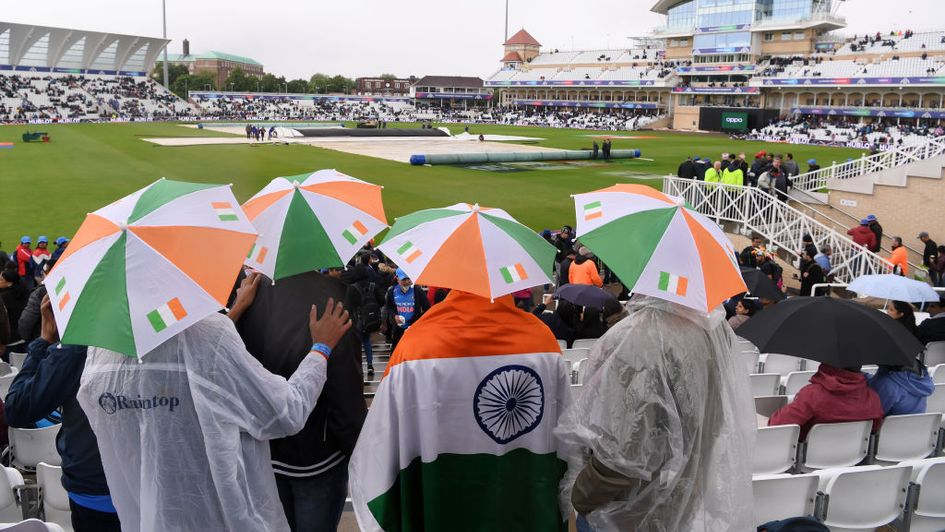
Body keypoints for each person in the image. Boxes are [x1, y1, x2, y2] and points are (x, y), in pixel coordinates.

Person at [77, 274, 353, 531]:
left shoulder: (99, 353)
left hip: (148, 520)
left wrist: (235, 311)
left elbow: (185, 363)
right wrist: (320, 350)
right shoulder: (210, 334)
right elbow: (285, 412)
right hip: (220, 518)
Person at [349, 290, 571, 531]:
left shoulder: (415, 346)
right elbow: (567, 442)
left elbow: (379, 450)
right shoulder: (543, 342)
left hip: (439, 505)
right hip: (522, 508)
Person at [555, 295, 754, 531]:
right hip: (678, 502)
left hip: (623, 511)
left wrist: (580, 495)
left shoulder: (641, 337)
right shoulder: (712, 330)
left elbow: (623, 456)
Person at [236, 271, 367, 532]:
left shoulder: (248, 295)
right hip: (318, 456)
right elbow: (345, 392)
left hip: (264, 453)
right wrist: (360, 454)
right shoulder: (334, 298)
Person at [5, 295, 121, 532]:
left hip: (96, 489)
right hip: (158, 487)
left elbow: (17, 408)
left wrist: (44, 340)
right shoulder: (181, 341)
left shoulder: (79, 346)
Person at [769, 364, 884, 439]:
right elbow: (874, 428)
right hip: (853, 459)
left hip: (807, 457)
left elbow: (777, 424)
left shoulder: (812, 394)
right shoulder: (872, 398)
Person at [867, 361, 935, 416]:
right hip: (918, 426)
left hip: (890, 427)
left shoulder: (887, 384)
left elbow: (874, 413)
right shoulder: (919, 378)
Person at [385, 268, 430, 350]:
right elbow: (389, 307)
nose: (406, 282)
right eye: (404, 279)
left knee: (414, 352)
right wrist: (394, 316)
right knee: (397, 352)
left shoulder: (417, 290)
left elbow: (427, 309)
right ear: (397, 279)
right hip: (398, 329)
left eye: (408, 279)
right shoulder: (392, 291)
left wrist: (416, 321)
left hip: (414, 329)